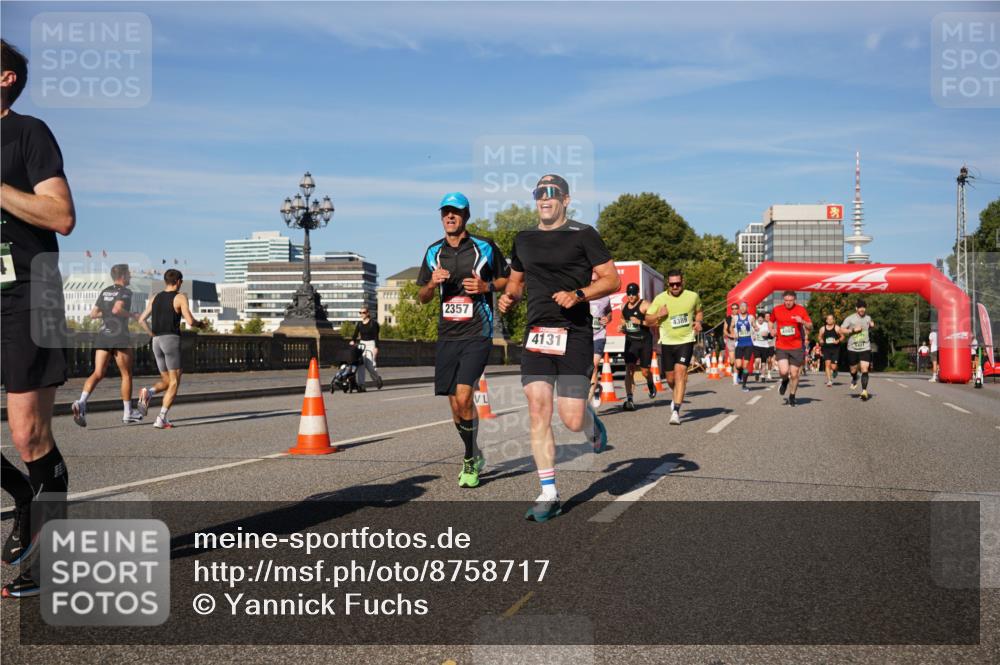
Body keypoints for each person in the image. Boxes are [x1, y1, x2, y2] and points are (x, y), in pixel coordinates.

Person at [498, 174, 618, 522]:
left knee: (572, 417)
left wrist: (579, 294)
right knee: (538, 408)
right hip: (537, 333)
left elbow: (612, 279)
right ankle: (549, 492)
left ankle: (591, 424)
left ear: (566, 199)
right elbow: (517, 282)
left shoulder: (584, 234)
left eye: (553, 193)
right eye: (540, 193)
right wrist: (509, 297)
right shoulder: (524, 238)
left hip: (574, 333)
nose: (545, 199)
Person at [1, 39, 75, 598]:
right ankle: (25, 496)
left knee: (29, 435)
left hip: (31, 293)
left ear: (5, 79)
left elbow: (61, 215)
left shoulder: (27, 133)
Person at [417, 192, 509, 489]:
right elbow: (422, 297)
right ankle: (474, 451)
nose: (450, 217)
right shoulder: (433, 252)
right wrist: (432, 283)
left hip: (477, 333)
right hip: (447, 335)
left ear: (466, 215)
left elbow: (510, 279)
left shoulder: (484, 246)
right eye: (445, 212)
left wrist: (487, 285)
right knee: (455, 404)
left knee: (465, 395)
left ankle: (469, 460)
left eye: (455, 212)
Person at [72, 264, 144, 426]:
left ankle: (81, 402)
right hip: (119, 336)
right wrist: (132, 314)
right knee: (126, 374)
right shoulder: (125, 292)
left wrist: (107, 312)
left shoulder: (105, 291)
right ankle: (128, 413)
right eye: (129, 274)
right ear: (123, 276)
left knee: (98, 373)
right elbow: (118, 309)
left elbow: (93, 314)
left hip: (103, 335)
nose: (131, 276)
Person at [136, 269, 203, 429]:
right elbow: (190, 321)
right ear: (179, 281)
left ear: (166, 281)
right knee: (174, 382)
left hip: (156, 341)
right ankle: (161, 418)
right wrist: (201, 324)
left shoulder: (155, 297)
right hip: (171, 340)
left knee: (167, 381)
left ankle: (148, 393)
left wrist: (152, 334)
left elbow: (141, 319)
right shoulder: (180, 297)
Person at [645, 269, 703, 425]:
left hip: (686, 340)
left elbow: (698, 311)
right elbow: (647, 319)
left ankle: (676, 411)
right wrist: (659, 315)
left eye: (678, 283)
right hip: (667, 343)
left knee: (680, 373)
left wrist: (698, 322)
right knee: (670, 378)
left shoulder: (692, 296)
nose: (675, 287)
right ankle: (676, 393)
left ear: (682, 282)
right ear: (668, 285)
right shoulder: (660, 299)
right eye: (672, 284)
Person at [771, 290, 812, 406]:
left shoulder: (801, 310)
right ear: (783, 300)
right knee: (784, 371)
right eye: (786, 300)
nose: (788, 303)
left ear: (795, 300)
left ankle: (792, 395)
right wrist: (771, 329)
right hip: (781, 345)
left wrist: (802, 321)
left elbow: (810, 325)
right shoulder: (777, 309)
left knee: (794, 374)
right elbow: (770, 322)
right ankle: (784, 381)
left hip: (796, 346)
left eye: (790, 300)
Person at [619, 282, 656, 410]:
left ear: (637, 293)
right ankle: (629, 399)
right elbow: (623, 319)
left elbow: (654, 322)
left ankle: (650, 383)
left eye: (633, 294)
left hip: (644, 341)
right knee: (629, 369)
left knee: (645, 371)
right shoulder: (624, 306)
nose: (631, 296)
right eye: (628, 294)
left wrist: (640, 321)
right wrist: (623, 327)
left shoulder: (645, 305)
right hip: (631, 341)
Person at [841, 299, 876, 401]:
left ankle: (864, 391)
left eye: (863, 307)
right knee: (853, 369)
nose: (862, 309)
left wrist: (872, 325)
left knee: (865, 368)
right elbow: (841, 329)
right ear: (856, 308)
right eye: (860, 307)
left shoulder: (868, 318)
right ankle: (854, 377)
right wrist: (852, 330)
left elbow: (870, 324)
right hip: (852, 348)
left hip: (865, 347)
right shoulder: (850, 319)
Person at [588, 273, 612, 409]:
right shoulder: (582, 296)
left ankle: (587, 404)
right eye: (590, 280)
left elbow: (610, 313)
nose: (592, 283)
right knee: (584, 369)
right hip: (584, 337)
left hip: (599, 335)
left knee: (594, 365)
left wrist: (608, 318)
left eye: (595, 281)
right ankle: (597, 388)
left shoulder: (605, 297)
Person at [351, 306, 383, 391]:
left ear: (368, 313)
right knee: (361, 363)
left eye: (364, 312)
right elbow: (355, 334)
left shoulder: (373, 323)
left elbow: (376, 337)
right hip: (362, 344)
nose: (362, 314)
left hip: (371, 344)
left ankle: (377, 379)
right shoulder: (359, 324)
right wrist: (352, 341)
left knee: (370, 367)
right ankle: (361, 385)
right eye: (360, 313)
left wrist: (376, 347)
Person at [728, 301, 756, 392]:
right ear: (740, 309)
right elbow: (731, 327)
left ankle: (744, 385)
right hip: (739, 343)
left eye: (744, 307)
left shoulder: (751, 317)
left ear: (747, 308)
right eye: (741, 307)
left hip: (748, 343)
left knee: (745, 365)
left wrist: (756, 329)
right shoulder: (735, 318)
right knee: (738, 365)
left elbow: (754, 326)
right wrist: (733, 333)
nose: (743, 308)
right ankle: (739, 373)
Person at [818, 314, 844, 387]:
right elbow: (819, 337)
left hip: (835, 349)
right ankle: (829, 381)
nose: (829, 320)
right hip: (826, 349)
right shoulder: (823, 329)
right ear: (826, 320)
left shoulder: (837, 328)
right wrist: (821, 341)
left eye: (831, 319)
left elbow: (842, 336)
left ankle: (835, 370)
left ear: (833, 320)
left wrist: (838, 340)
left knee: (833, 367)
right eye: (828, 319)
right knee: (827, 364)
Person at [752, 312, 771, 381]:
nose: (760, 320)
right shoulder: (755, 324)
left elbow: (770, 334)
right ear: (757, 319)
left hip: (765, 345)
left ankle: (763, 375)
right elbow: (751, 332)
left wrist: (767, 334)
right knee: (757, 360)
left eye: (761, 319)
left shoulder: (766, 325)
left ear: (763, 319)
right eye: (759, 319)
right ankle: (757, 372)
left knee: (763, 363)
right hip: (756, 345)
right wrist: (753, 336)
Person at [723, 303, 739, 384]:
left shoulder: (741, 318)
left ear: (738, 309)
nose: (734, 310)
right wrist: (730, 335)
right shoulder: (728, 318)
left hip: (739, 340)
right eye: (733, 308)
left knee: (737, 360)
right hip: (730, 340)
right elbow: (725, 330)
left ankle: (736, 377)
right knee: (732, 360)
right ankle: (733, 368)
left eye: (736, 308)